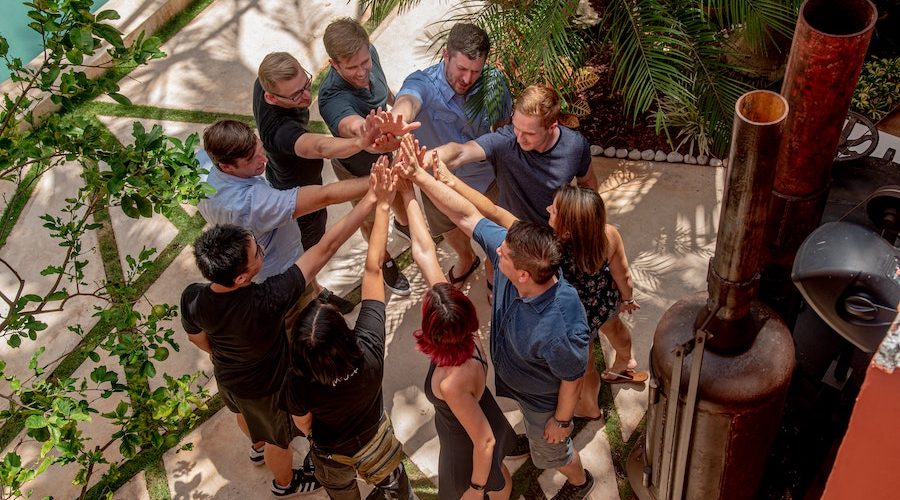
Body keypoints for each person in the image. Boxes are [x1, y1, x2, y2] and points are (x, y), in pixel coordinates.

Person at [397, 137, 595, 500]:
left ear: (523, 274)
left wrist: (562, 421)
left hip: (542, 400)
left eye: (502, 255)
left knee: (550, 451)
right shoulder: (518, 254)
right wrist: (420, 177)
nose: (496, 250)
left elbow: (572, 375)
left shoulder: (560, 325)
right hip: (513, 381)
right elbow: (467, 216)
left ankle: (580, 480)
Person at [181, 166, 382, 497]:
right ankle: (285, 483)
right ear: (242, 278)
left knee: (243, 414)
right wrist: (374, 197)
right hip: (266, 388)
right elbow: (326, 248)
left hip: (229, 379)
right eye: (257, 252)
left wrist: (224, 354)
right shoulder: (266, 300)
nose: (262, 250)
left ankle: (255, 445)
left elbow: (196, 337)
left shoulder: (193, 296)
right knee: (281, 439)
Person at [428, 157, 649, 421]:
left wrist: (452, 182)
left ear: (566, 230)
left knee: (586, 365)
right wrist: (626, 298)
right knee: (616, 329)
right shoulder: (607, 235)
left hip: (579, 317)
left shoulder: (546, 252)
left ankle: (589, 406)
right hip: (604, 299)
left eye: (553, 211)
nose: (547, 209)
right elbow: (622, 274)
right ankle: (626, 362)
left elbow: (493, 211)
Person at [279, 157, 414, 500]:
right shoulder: (368, 352)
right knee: (394, 482)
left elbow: (304, 423)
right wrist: (382, 204)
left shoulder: (298, 380)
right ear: (343, 333)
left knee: (342, 493)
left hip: (330, 453)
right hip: (374, 439)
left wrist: (312, 438)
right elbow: (372, 271)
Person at [397, 166, 514, 499]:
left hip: (464, 442)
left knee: (492, 480)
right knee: (499, 473)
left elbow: (485, 441)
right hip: (480, 409)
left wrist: (475, 490)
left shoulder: (452, 381)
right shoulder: (464, 331)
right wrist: (408, 193)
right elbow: (424, 252)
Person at [253, 51, 393, 309]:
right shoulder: (280, 132)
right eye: (295, 95)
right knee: (308, 251)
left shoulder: (265, 79)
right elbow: (320, 147)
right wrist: (360, 142)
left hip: (291, 178)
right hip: (298, 196)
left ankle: (316, 289)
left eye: (305, 84)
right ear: (270, 97)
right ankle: (312, 295)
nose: (307, 96)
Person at [199, 119, 368, 319]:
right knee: (305, 323)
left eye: (260, 150)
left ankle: (319, 291)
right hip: (280, 272)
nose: (264, 160)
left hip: (280, 252)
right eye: (252, 159)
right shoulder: (253, 204)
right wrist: (383, 179)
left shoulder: (199, 162)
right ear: (227, 167)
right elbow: (325, 195)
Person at [390, 22, 512, 287]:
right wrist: (397, 120)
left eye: (475, 71)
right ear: (446, 55)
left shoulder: (494, 83)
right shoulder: (422, 82)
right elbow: (408, 100)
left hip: (485, 178)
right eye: (461, 69)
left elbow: (503, 129)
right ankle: (467, 258)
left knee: (497, 234)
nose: (467, 79)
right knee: (448, 228)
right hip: (436, 181)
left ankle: (494, 271)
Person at [318, 17, 420, 296]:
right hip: (359, 169)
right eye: (352, 67)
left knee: (400, 194)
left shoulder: (368, 53)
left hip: (387, 152)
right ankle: (384, 259)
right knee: (371, 220)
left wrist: (392, 103)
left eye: (365, 62)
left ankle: (403, 226)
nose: (362, 72)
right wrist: (373, 136)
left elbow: (381, 86)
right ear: (334, 65)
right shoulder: (331, 99)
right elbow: (356, 130)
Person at [429, 84, 598, 226]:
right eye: (516, 127)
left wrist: (587, 221)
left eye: (529, 133)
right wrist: (425, 158)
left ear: (552, 127)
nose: (519, 137)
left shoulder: (575, 145)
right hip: (509, 229)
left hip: (551, 235)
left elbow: (588, 183)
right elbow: (460, 152)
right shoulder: (506, 141)